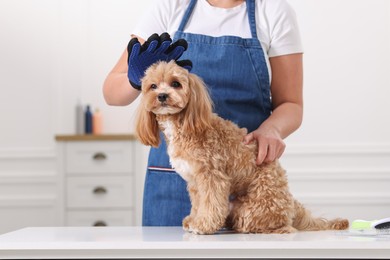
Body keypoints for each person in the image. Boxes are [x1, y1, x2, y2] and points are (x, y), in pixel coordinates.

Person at [103, 0, 303, 226]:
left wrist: (272, 129)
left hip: (247, 179)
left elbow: (291, 103)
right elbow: (111, 93)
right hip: (172, 181)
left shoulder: (273, 11)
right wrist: (135, 77)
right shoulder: (170, 8)